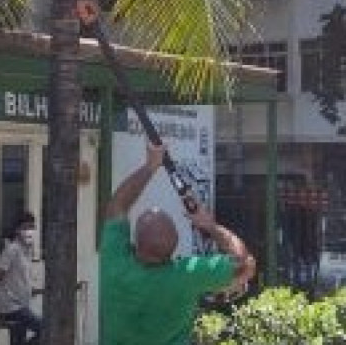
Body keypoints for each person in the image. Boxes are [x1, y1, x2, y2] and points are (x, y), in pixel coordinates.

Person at [100, 143, 256, 345]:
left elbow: (117, 205)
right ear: (174, 245)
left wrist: (150, 166)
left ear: (135, 242)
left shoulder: (115, 264)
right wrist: (210, 226)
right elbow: (245, 264)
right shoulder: (186, 275)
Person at [0, 211, 42, 345]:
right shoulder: (12, 249)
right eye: (26, 227)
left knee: (17, 340)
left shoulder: (27, 251)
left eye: (32, 227)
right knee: (45, 328)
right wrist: (8, 290)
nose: (29, 231)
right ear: (17, 230)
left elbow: (21, 276)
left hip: (22, 304)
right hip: (11, 307)